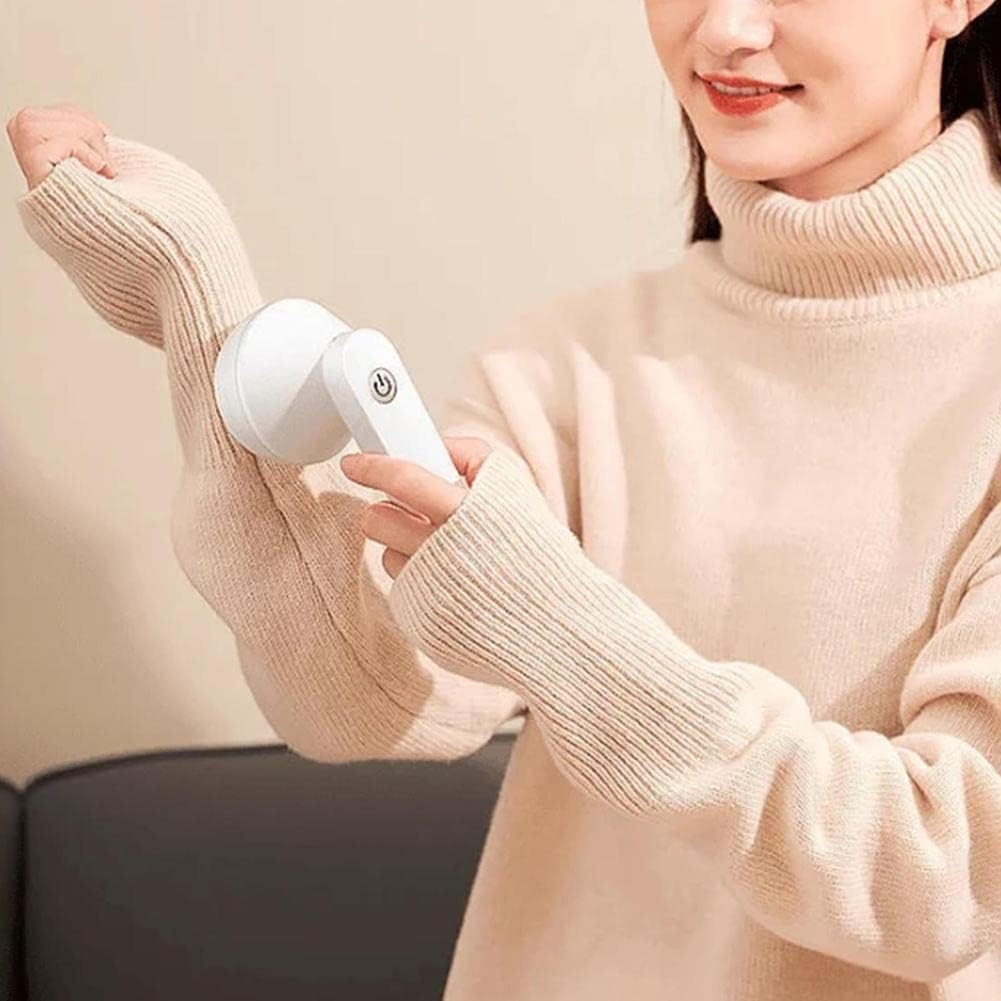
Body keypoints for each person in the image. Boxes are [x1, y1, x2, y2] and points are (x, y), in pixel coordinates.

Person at [8, 0, 1001, 996]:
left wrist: (547, 615)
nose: (723, 30)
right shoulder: (571, 361)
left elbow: (948, 880)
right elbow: (366, 698)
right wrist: (200, 305)